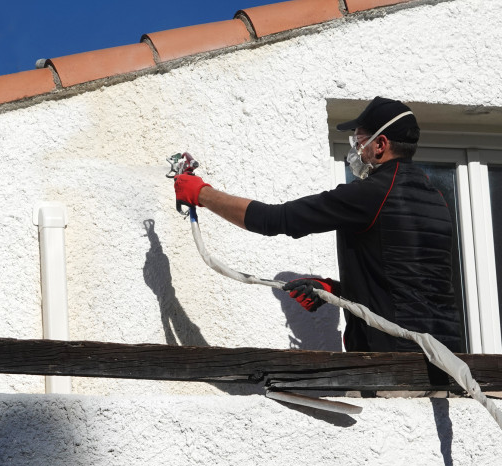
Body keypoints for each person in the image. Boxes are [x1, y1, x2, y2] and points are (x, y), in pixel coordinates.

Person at [173, 97, 461, 353]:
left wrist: (200, 193)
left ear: (381, 145)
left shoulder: (370, 194)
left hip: (391, 363)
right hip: (444, 359)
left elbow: (274, 219)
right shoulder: (437, 199)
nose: (355, 152)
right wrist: (336, 291)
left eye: (359, 142)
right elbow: (408, 282)